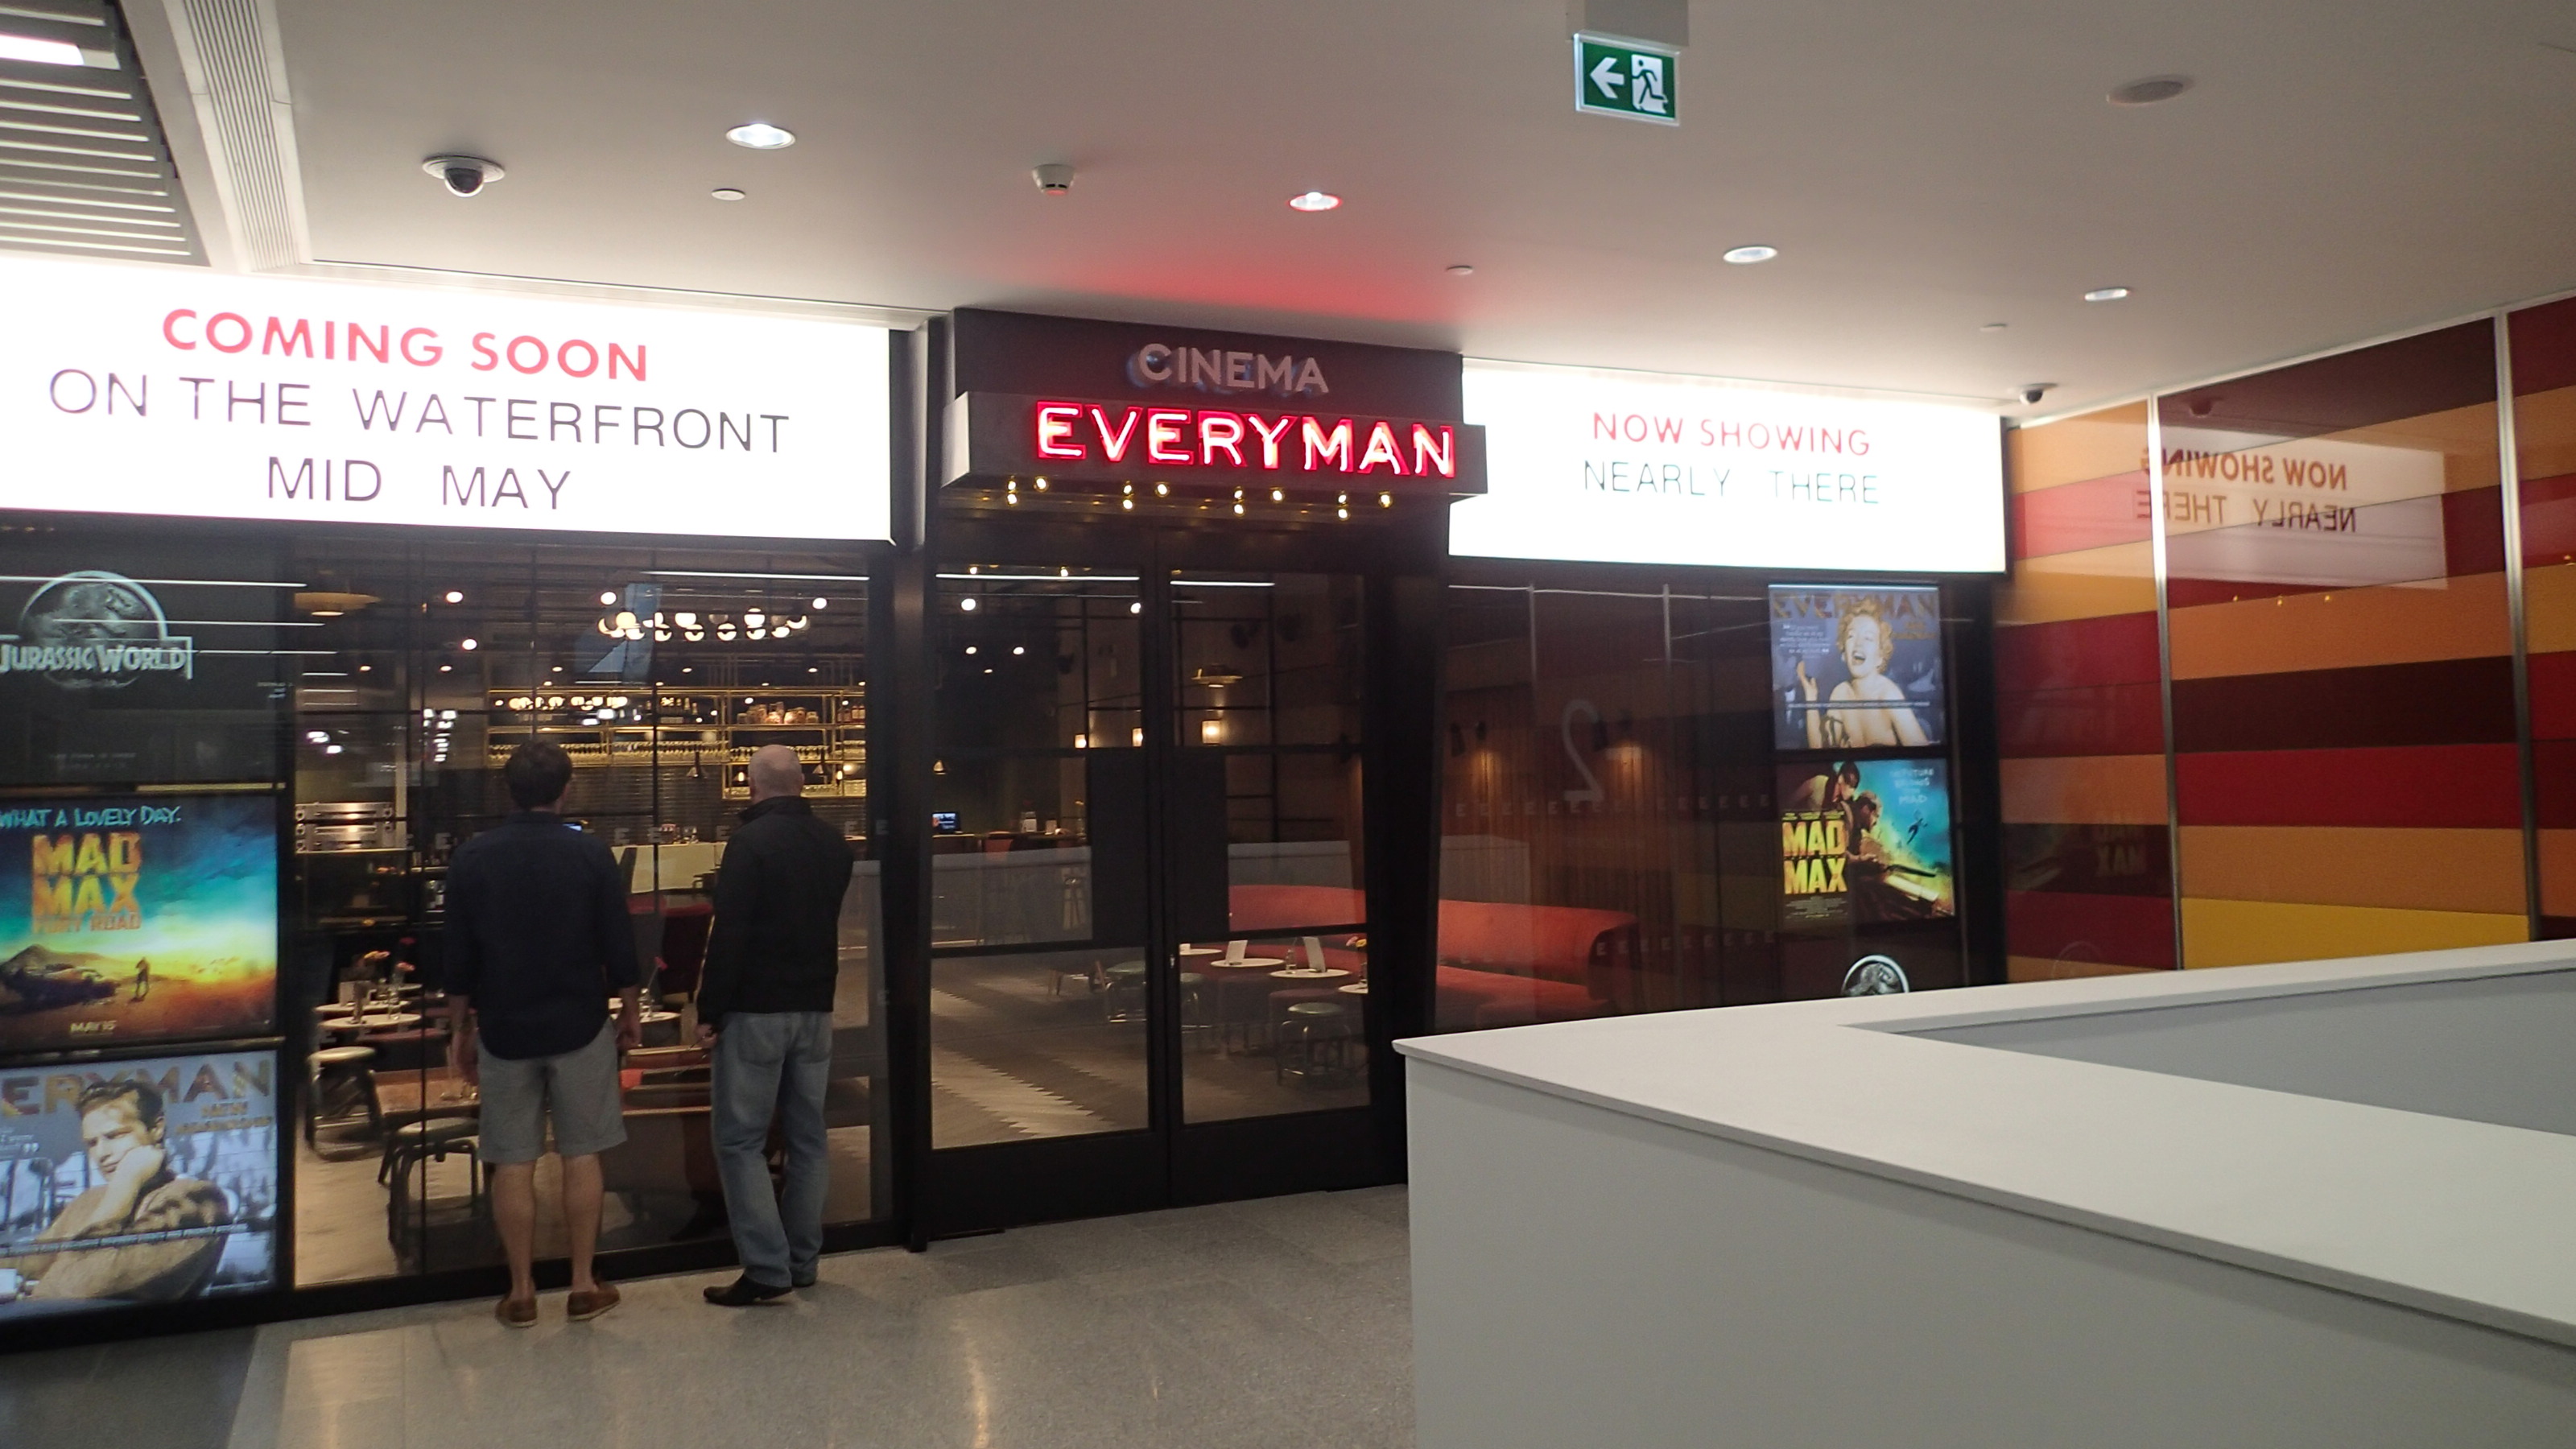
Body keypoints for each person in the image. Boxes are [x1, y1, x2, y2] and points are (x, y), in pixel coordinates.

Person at [445, 741, 642, 1328]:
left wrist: (460, 1028)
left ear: (509, 790)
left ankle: (521, 1291)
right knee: (582, 1155)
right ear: (566, 790)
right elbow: (618, 942)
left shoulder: (473, 858)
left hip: (505, 1027)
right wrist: (630, 1010)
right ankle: (582, 1284)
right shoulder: (589, 854)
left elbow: (458, 956)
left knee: (512, 1160)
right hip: (579, 1023)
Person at [696, 744, 853, 1307]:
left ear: (751, 784)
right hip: (816, 1007)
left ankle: (766, 1268)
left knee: (741, 1141)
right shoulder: (834, 844)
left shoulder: (750, 843)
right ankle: (802, 1261)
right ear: (803, 783)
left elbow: (730, 935)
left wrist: (710, 1011)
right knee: (808, 1138)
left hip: (756, 1010)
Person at [6, 1080, 229, 1302]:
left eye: (115, 1136)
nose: (102, 1154)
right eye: (92, 1143)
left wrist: (126, 1182)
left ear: (156, 1129)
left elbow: (77, 1287)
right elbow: (29, 1263)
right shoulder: (89, 1200)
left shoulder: (198, 1200)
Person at [1794, 597, 1929, 749]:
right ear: (1844, 654)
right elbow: (1820, 749)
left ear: (1880, 656)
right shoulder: (1841, 693)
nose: (1858, 643)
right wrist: (1811, 698)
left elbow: (1922, 752)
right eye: (1851, 636)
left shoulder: (1887, 693)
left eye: (1868, 638)